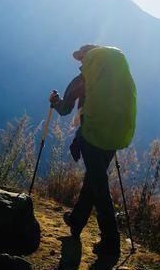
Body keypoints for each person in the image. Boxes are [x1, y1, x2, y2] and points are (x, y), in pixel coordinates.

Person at [49, 44, 137, 258]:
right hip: (114, 138)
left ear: (85, 60)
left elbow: (65, 109)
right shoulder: (118, 82)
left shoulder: (82, 80)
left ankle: (111, 243)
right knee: (94, 180)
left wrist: (55, 102)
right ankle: (76, 222)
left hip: (91, 137)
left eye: (81, 59)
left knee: (99, 186)